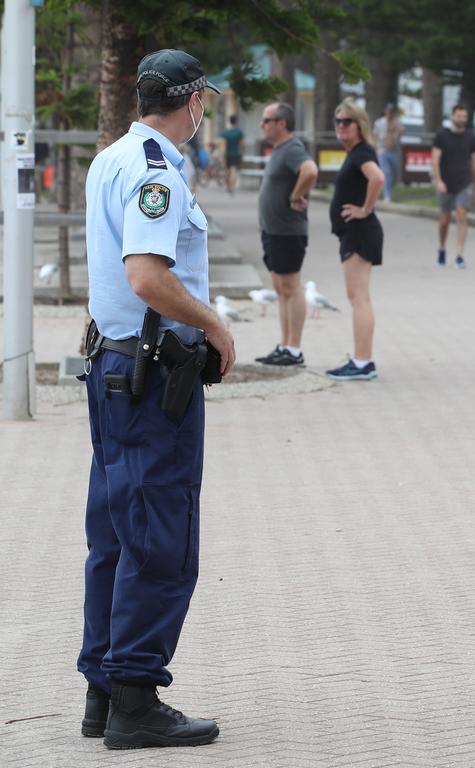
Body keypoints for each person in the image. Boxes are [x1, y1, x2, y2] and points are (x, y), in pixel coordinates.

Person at [80, 47, 236, 749]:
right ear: (194, 101)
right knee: (158, 536)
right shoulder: (156, 176)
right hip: (151, 382)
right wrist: (212, 322)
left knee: (114, 534)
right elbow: (146, 276)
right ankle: (136, 699)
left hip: (115, 372)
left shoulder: (112, 156)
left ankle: (105, 691)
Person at [255, 102, 319, 366]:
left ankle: (294, 349)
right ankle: (284, 345)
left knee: (291, 288)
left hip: (288, 232)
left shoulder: (292, 148)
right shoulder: (279, 150)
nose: (263, 125)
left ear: (282, 123)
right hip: (273, 231)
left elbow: (310, 170)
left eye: (267, 120)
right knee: (281, 289)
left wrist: (296, 195)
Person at [327, 98, 386, 381]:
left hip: (360, 233)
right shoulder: (356, 153)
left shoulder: (362, 152)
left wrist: (365, 209)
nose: (340, 126)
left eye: (346, 121)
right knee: (358, 298)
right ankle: (362, 359)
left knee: (359, 298)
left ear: (359, 125)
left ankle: (363, 362)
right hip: (354, 233)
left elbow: (378, 179)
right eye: (337, 121)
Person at [431, 103, 475, 268]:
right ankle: (442, 248)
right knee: (444, 220)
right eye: (459, 116)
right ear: (452, 116)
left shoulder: (471, 137)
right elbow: (435, 160)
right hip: (446, 182)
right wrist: (438, 181)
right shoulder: (442, 136)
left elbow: (474, 162)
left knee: (461, 215)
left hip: (464, 182)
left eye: (464, 116)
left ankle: (459, 254)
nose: (462, 119)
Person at [372, 103, 403, 202]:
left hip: (395, 151)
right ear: (385, 111)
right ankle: (387, 196)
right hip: (383, 151)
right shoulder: (379, 122)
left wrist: (396, 128)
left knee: (394, 174)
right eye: (389, 111)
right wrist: (377, 149)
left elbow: (402, 132)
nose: (390, 113)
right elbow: (375, 136)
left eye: (392, 111)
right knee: (387, 173)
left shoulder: (398, 122)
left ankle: (385, 189)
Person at [221, 115, 244, 194]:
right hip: (235, 154)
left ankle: (228, 186)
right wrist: (241, 153)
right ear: (236, 122)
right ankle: (232, 187)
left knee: (227, 171)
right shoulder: (238, 132)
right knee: (233, 171)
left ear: (229, 121)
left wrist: (223, 156)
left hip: (227, 154)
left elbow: (224, 145)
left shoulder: (226, 133)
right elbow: (241, 145)